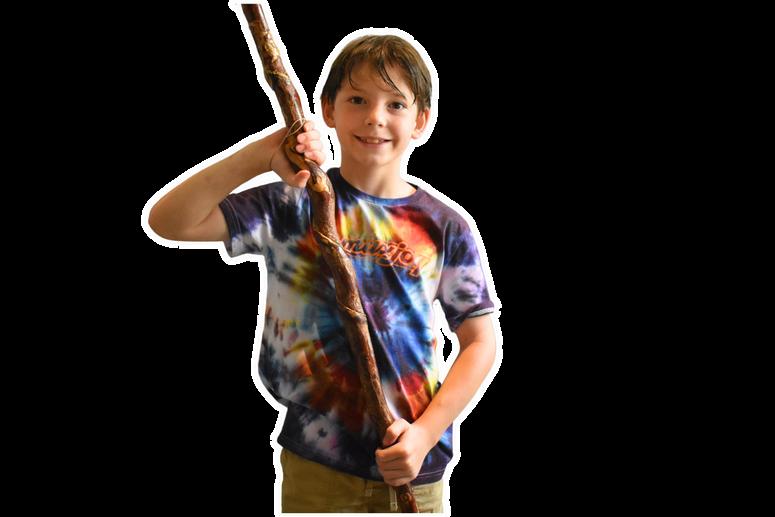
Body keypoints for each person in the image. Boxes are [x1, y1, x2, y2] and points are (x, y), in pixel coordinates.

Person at [147, 33, 499, 513]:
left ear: (421, 120)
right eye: (358, 100)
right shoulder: (292, 205)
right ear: (327, 109)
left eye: (395, 104)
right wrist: (263, 153)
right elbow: (169, 221)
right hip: (316, 464)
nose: (375, 117)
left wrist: (424, 435)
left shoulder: (443, 226)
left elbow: (481, 341)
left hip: (412, 468)